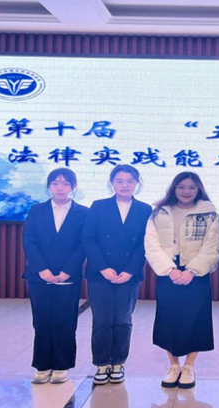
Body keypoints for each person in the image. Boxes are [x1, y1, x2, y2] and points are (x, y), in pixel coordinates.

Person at [145, 172, 219, 389]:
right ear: (174, 188)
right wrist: (169, 269)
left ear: (199, 189)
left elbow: (213, 246)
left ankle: (189, 366)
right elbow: (151, 244)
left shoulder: (210, 214)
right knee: (168, 319)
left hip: (196, 273)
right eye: (181, 187)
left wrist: (192, 271)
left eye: (191, 187)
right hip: (168, 271)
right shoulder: (159, 212)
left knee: (195, 319)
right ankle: (173, 365)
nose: (186, 191)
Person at [81, 165, 152, 386]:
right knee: (102, 320)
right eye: (119, 181)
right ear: (112, 183)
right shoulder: (98, 206)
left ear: (137, 184)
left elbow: (146, 243)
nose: (124, 185)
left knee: (122, 320)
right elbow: (88, 238)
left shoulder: (144, 209)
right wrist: (103, 267)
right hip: (100, 273)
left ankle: (119, 363)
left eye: (130, 181)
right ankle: (102, 363)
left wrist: (130, 270)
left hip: (129, 274)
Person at [22, 168, 88, 384]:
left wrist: (67, 270)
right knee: (41, 321)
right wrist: (41, 269)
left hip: (68, 275)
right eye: (55, 183)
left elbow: (83, 245)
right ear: (49, 186)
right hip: (39, 275)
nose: (60, 188)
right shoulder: (37, 210)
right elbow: (29, 240)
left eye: (66, 184)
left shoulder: (83, 212)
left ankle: (61, 365)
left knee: (65, 321)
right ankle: (42, 365)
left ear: (73, 187)